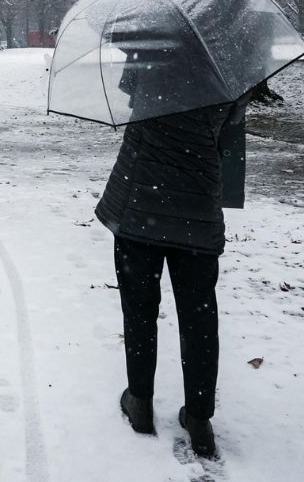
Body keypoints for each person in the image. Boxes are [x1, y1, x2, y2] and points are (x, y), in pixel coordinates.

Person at [95, 41, 249, 460]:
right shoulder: (229, 63)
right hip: (196, 212)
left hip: (138, 205)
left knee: (139, 309)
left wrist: (145, 58)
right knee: (199, 316)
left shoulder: (150, 50)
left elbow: (130, 98)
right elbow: (230, 133)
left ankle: (140, 402)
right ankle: (199, 419)